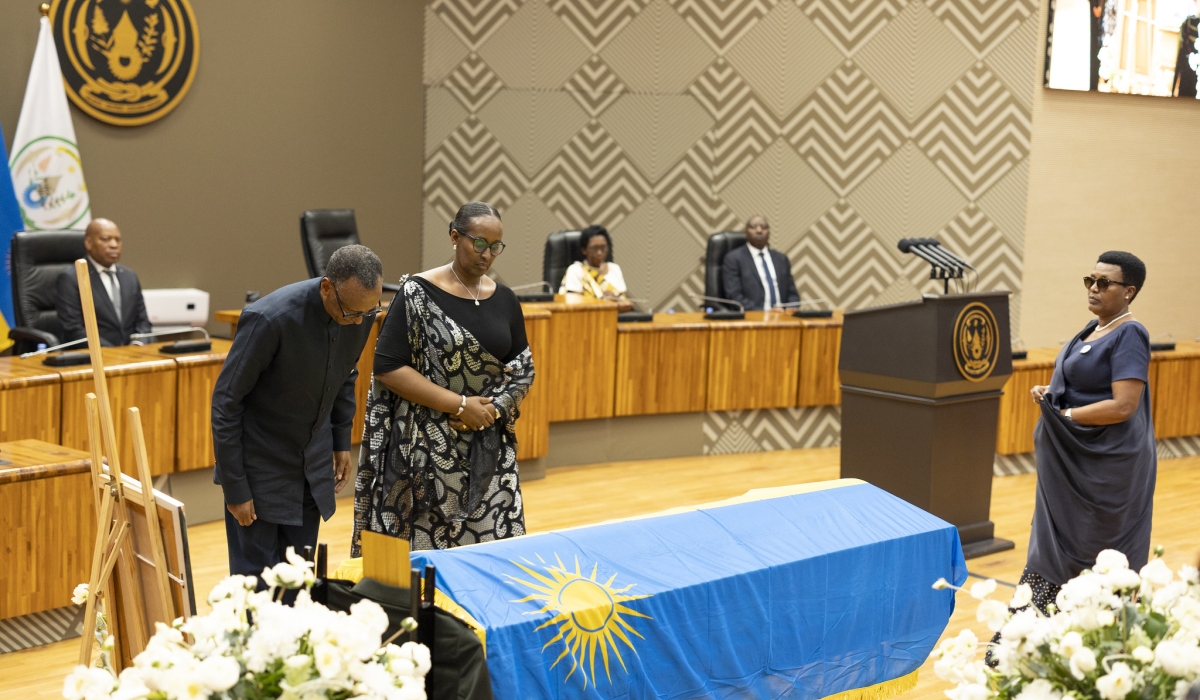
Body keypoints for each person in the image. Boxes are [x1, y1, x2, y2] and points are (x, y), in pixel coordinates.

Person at [353, 201, 534, 553]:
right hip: (425, 449)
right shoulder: (417, 293)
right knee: (426, 556)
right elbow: (387, 367)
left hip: (487, 447)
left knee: (491, 553)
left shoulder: (506, 300)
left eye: (495, 247)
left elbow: (523, 369)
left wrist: (490, 411)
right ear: (455, 236)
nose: (487, 254)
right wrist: (461, 405)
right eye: (478, 243)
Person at [212, 245, 383, 580]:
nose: (359, 321)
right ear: (326, 288)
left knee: (302, 581)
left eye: (369, 311)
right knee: (258, 589)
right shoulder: (270, 319)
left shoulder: (360, 311)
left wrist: (340, 441)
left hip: (312, 470)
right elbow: (226, 403)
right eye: (351, 312)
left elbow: (345, 374)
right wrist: (235, 487)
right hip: (260, 470)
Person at [1022, 251, 1156, 613]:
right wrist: (1051, 394)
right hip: (1071, 466)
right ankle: (1036, 641)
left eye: (1103, 283)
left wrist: (1065, 413)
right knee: (1052, 547)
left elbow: (1123, 406)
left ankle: (1089, 647)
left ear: (1128, 292)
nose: (1093, 289)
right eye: (1089, 281)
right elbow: (1085, 387)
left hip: (1104, 470)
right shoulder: (1092, 330)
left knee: (1095, 553)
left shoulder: (1130, 333)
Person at [56, 218, 152, 346]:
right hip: (94, 357)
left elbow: (143, 322)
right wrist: (114, 354)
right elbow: (73, 330)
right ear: (89, 243)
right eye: (106, 239)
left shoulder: (130, 276)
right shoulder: (72, 278)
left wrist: (138, 345)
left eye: (117, 239)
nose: (114, 245)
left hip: (133, 355)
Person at [720, 215, 800, 311]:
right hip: (753, 319)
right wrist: (764, 312)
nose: (759, 230)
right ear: (746, 232)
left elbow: (792, 293)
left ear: (769, 232)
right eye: (753, 227)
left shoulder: (781, 259)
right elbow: (734, 295)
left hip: (783, 318)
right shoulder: (734, 259)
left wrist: (792, 307)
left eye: (763, 227)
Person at [558, 225, 628, 301]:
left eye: (603, 247)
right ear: (584, 250)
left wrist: (614, 297)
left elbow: (623, 300)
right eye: (594, 248)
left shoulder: (614, 268)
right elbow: (574, 302)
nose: (599, 253)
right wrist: (601, 298)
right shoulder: (576, 270)